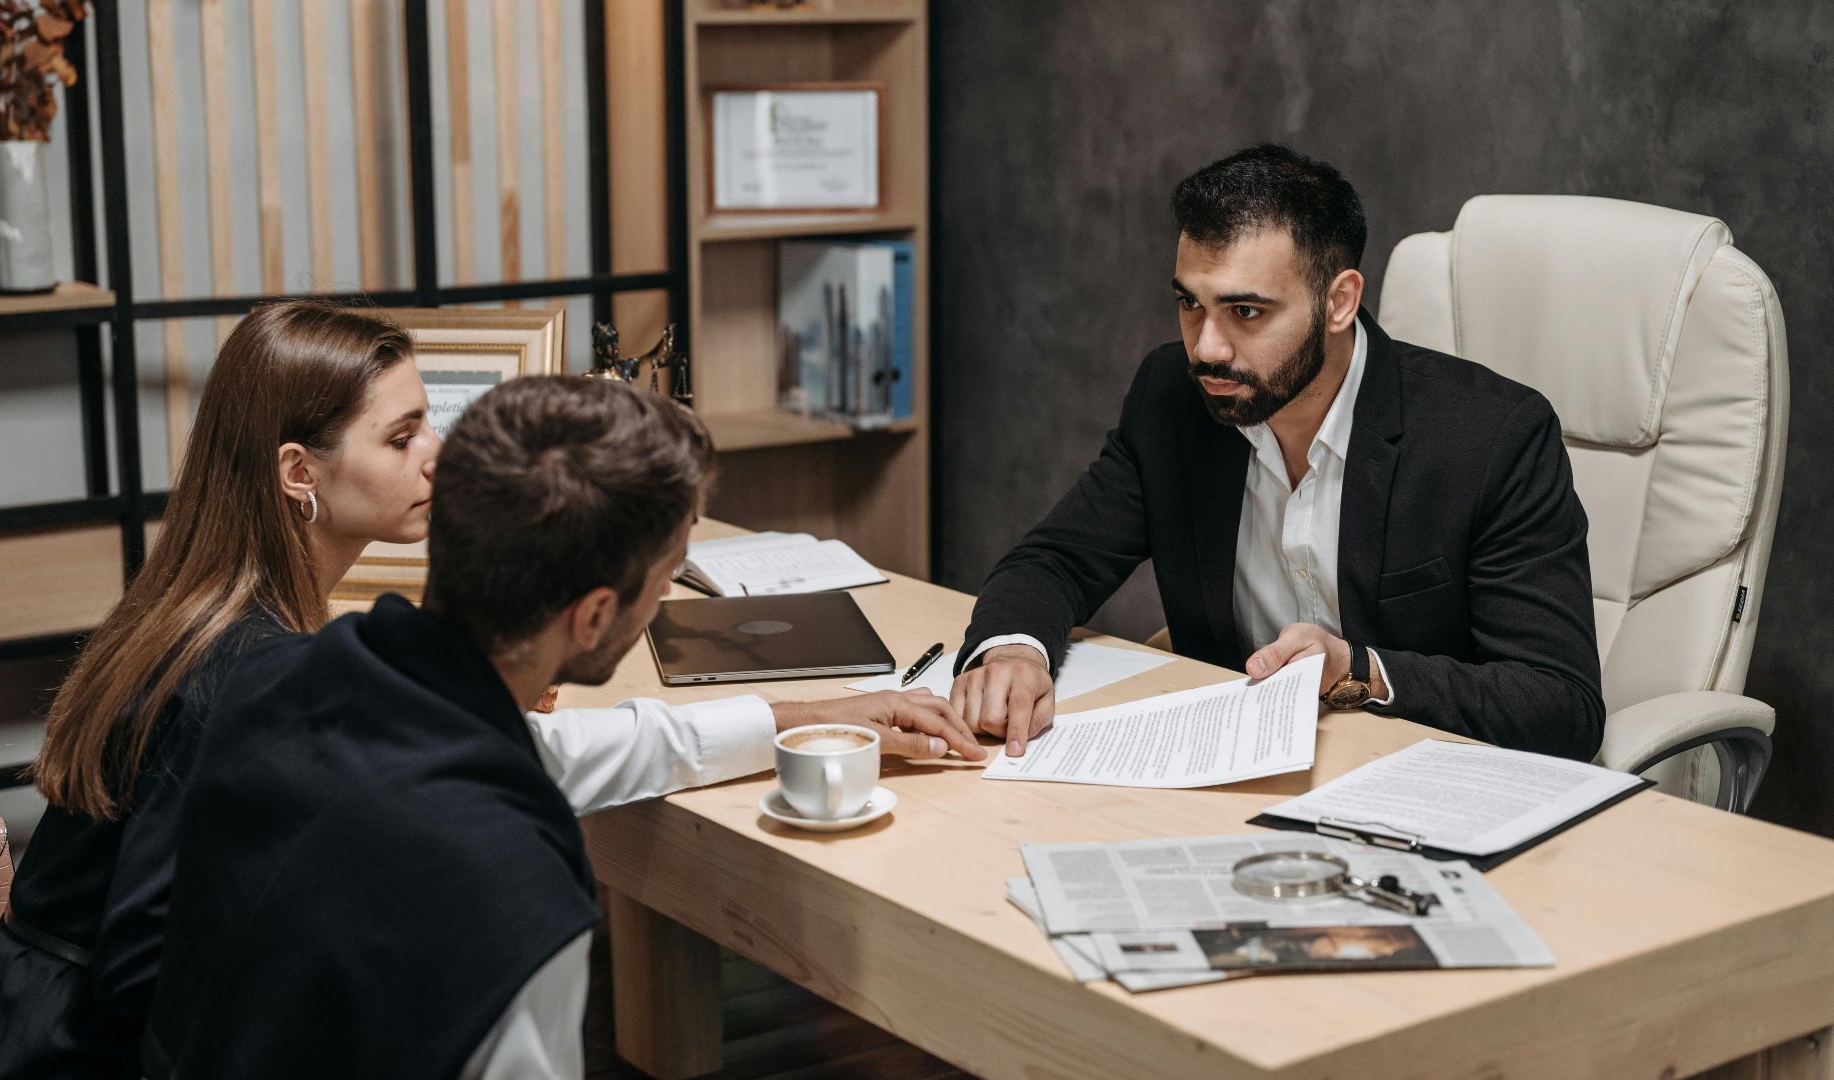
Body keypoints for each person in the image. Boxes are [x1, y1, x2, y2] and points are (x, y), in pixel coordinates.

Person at [146, 376, 964, 1078]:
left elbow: (560, 751)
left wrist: (804, 716)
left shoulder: (291, 681)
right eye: (666, 575)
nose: (665, 602)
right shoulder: (513, 887)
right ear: (595, 613)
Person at [949, 144, 1603, 761]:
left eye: (1247, 312)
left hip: (1428, 785)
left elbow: (1559, 706)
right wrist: (1013, 649)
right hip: (1237, 773)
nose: (1206, 347)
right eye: (1190, 304)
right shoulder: (1173, 399)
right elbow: (1056, 559)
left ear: (1339, 302)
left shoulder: (1492, 438)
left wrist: (1361, 670)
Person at [0, 299, 441, 1077]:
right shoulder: (242, 665)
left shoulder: (209, 605)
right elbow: (148, 962)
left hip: (38, 1024)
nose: (435, 455)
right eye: (402, 437)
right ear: (298, 472)